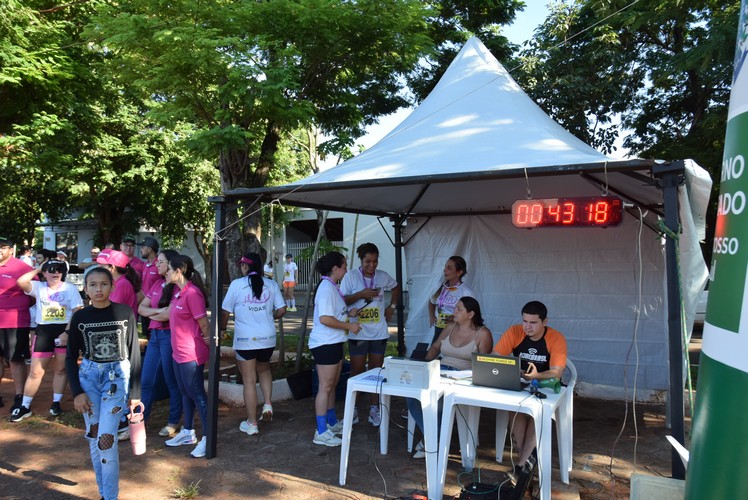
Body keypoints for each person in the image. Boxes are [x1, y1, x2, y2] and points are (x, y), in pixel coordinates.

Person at [66, 266, 142, 500]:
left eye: (104, 284)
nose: (98, 289)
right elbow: (70, 357)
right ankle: (104, 493)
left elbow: (134, 351)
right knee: (94, 436)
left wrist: (135, 393)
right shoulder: (80, 317)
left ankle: (110, 497)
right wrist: (77, 392)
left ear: (112, 286)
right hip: (89, 380)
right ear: (85, 287)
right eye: (92, 285)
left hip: (117, 380)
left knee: (106, 440)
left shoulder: (124, 312)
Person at [407, 297, 493, 458]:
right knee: (413, 395)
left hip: (463, 378)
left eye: (459, 309)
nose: (454, 311)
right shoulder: (450, 327)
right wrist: (424, 366)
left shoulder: (483, 334)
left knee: (438, 401)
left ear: (471, 314)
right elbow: (435, 347)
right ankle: (433, 437)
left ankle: (431, 440)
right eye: (455, 308)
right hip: (441, 371)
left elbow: (483, 364)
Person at [492, 300, 567, 481]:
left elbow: (556, 372)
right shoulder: (515, 332)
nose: (527, 326)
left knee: (538, 414)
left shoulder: (556, 337)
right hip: (520, 381)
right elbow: (495, 357)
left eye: (533, 323)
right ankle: (525, 465)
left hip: (547, 385)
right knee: (513, 410)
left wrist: (536, 375)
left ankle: (521, 467)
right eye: (525, 321)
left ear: (545, 322)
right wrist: (516, 371)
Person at [221, 252, 286, 436]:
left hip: (245, 340)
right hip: (267, 338)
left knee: (249, 380)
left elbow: (225, 312)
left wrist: (223, 329)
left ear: (245, 267)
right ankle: (267, 404)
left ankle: (252, 423)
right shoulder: (271, 284)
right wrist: (269, 317)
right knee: (264, 370)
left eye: (242, 265)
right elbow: (282, 309)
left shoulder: (237, 285)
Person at [11, 259, 84, 421]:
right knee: (36, 371)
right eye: (51, 270)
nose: (55, 273)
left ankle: (56, 402)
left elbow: (77, 311)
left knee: (60, 369)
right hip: (43, 331)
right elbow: (21, 281)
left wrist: (66, 333)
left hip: (63, 331)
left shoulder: (70, 289)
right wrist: (38, 268)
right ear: (44, 273)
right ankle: (25, 406)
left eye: (59, 269)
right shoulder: (38, 287)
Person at [340, 242, 400, 427]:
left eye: (375, 261)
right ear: (361, 259)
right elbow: (342, 300)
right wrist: (360, 294)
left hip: (379, 333)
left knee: (376, 371)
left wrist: (392, 307)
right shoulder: (350, 277)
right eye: (368, 261)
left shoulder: (382, 276)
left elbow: (396, 287)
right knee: (357, 371)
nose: (372, 265)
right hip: (358, 332)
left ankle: (374, 408)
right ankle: (354, 409)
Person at [309, 251, 361, 446]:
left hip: (334, 342)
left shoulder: (331, 287)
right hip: (325, 344)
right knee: (325, 387)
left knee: (331, 385)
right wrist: (350, 326)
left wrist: (349, 312)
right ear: (335, 268)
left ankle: (331, 422)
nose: (346, 269)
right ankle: (321, 431)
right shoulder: (326, 288)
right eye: (344, 266)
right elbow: (325, 319)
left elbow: (333, 313)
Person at [163, 254, 211, 458]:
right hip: (178, 353)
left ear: (178, 271)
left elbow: (204, 326)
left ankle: (209, 439)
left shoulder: (192, 293)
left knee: (197, 394)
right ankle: (188, 432)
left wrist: (208, 344)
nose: (165, 272)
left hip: (191, 354)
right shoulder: (177, 292)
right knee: (184, 391)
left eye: (168, 269)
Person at [137, 249, 183, 437]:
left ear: (171, 264)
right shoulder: (156, 283)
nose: (157, 264)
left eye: (161, 261)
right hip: (154, 336)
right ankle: (140, 421)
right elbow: (140, 308)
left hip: (169, 336)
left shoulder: (177, 287)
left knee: (171, 380)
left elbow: (168, 315)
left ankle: (173, 420)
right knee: (146, 381)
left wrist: (157, 312)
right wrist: (160, 312)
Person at [0, 237, 34, 411]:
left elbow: (36, 292)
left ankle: (20, 396)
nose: (0, 250)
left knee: (15, 359)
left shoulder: (22, 267)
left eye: (3, 248)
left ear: (11, 250)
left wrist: (20, 306)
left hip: (14, 321)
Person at [428, 256, 474, 345]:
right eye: (445, 267)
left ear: (459, 272)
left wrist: (455, 318)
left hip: (456, 329)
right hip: (439, 327)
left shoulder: (466, 291)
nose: (445, 270)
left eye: (449, 268)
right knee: (434, 352)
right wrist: (431, 316)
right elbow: (431, 301)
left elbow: (471, 313)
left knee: (450, 353)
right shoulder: (439, 286)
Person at [97, 250, 141, 319]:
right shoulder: (118, 282)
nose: (99, 270)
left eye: (102, 267)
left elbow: (111, 310)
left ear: (112, 268)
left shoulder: (122, 284)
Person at [137, 237, 160, 337]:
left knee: (155, 333)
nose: (141, 250)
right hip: (145, 306)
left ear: (149, 249)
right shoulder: (145, 265)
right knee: (146, 334)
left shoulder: (160, 264)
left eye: (142, 247)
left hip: (156, 307)